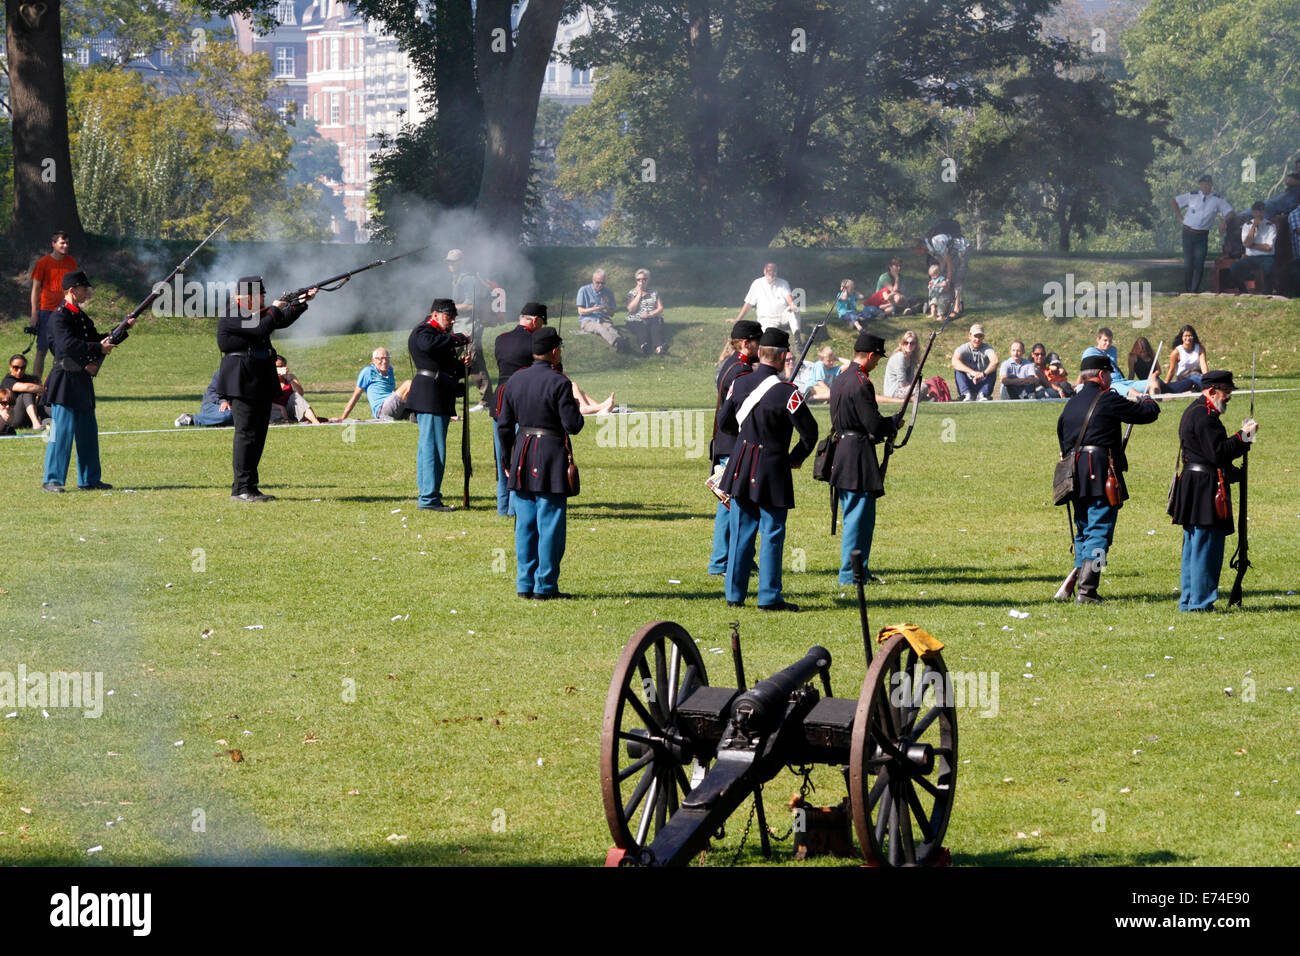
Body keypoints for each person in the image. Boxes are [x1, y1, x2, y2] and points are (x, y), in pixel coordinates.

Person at [717, 328, 819, 611]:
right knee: (772, 533)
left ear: (760, 352)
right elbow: (810, 433)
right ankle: (769, 597)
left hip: (740, 463)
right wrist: (795, 457)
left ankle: (734, 594)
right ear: (784, 356)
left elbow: (725, 422)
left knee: (740, 531)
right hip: (772, 468)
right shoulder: (789, 393)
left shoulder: (739, 383)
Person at [1055, 355, 1160, 603]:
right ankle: (1087, 591)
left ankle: (1080, 582)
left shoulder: (1071, 403)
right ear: (1101, 375)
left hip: (1075, 475)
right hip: (1101, 472)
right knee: (1100, 533)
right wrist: (1148, 399)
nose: (1111, 379)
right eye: (1109, 375)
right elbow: (1146, 414)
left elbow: (1063, 438)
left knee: (1084, 531)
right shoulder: (1107, 398)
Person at [496, 326, 585, 599]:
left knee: (525, 524)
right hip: (549, 453)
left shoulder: (515, 381)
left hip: (522, 451)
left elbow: (503, 425)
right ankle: (545, 586)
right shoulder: (559, 383)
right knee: (551, 524)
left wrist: (507, 460)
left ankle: (524, 585)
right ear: (555, 351)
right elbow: (574, 424)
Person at [216, 275, 316, 502]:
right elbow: (261, 329)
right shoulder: (233, 313)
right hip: (242, 380)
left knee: (258, 434)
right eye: (259, 294)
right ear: (246, 297)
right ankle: (241, 488)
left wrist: (300, 303)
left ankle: (250, 486)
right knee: (246, 435)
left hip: (259, 379)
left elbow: (279, 320)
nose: (263, 296)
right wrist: (275, 308)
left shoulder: (258, 314)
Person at [1167, 370, 1257, 612]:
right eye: (1225, 393)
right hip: (1205, 487)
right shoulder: (1206, 416)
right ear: (1211, 391)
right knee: (1205, 548)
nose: (1228, 397)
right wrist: (1243, 437)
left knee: (1195, 547)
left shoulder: (1196, 411)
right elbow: (1217, 452)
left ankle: (1190, 601)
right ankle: (1200, 603)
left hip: (1195, 484)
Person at [42, 271, 133, 492]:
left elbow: (96, 339)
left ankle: (89, 479)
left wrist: (122, 330)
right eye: (84, 288)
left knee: (88, 434)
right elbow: (66, 346)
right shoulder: (59, 316)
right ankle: (52, 479)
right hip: (64, 380)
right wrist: (98, 348)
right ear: (72, 290)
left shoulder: (80, 317)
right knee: (60, 435)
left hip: (81, 380)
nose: (87, 292)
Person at [829, 331, 899, 585]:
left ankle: (861, 570)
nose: (878, 363)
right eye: (877, 358)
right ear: (870, 355)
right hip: (857, 454)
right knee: (857, 518)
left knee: (857, 516)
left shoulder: (841, 377)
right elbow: (873, 424)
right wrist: (891, 423)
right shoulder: (861, 382)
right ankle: (851, 575)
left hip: (844, 450)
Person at [707, 319, 763, 576]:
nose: (761, 347)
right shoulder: (741, 371)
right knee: (733, 504)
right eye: (757, 342)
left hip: (725, 442)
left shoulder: (729, 365)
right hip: (734, 443)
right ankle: (722, 562)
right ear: (745, 343)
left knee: (733, 503)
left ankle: (739, 558)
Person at [408, 298, 469, 512]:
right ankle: (429, 498)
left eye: (453, 317)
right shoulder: (424, 332)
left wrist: (462, 367)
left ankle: (429, 495)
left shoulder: (440, 336)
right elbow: (428, 345)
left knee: (431, 448)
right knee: (433, 450)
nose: (452, 321)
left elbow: (447, 366)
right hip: (430, 396)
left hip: (439, 395)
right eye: (448, 317)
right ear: (435, 314)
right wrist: (456, 339)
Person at [446, 248, 499, 408]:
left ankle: (487, 400)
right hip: (460, 327)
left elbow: (471, 305)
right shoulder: (457, 278)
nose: (450, 264)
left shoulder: (468, 280)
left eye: (453, 261)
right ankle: (448, 395)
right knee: (451, 361)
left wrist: (451, 307)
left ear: (461, 262)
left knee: (475, 363)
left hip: (471, 327)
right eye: (449, 261)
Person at [28, 231, 80, 381]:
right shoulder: (43, 263)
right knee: (42, 350)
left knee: (63, 350)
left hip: (66, 311)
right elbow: (36, 289)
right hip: (47, 311)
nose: (65, 246)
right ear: (53, 244)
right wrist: (34, 313)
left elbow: (75, 286)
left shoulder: (71, 262)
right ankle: (36, 385)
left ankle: (55, 383)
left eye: (67, 243)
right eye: (62, 243)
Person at [1172, 174, 1232, 292]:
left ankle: (1194, 291)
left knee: (1199, 263)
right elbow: (1174, 201)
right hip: (1188, 233)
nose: (1205, 186)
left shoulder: (1217, 200)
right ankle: (1188, 290)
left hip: (1202, 236)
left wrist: (1224, 222)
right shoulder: (1192, 196)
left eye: (1208, 184)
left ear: (1211, 186)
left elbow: (1230, 212)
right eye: (1203, 184)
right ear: (1200, 185)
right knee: (1188, 263)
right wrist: (1179, 216)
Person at [733, 262, 802, 351]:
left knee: (794, 310)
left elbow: (789, 297)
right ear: (764, 271)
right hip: (767, 319)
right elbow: (748, 303)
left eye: (774, 271)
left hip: (783, 315)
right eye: (769, 271)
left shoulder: (783, 283)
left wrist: (792, 305)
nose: (772, 273)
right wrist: (738, 318)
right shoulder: (757, 283)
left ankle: (797, 339)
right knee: (769, 336)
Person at [335, 348, 410, 421]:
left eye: (387, 358)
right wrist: (343, 417)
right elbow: (356, 395)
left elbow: (391, 391)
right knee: (408, 384)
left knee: (415, 387)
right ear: (373, 360)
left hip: (394, 406)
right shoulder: (368, 372)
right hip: (382, 409)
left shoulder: (390, 370)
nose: (384, 361)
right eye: (380, 359)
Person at [1081, 327, 1154, 399]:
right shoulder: (1090, 352)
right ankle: (1142, 398)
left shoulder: (1113, 350)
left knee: (1152, 383)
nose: (1108, 343)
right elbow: (1084, 371)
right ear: (1098, 340)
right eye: (1105, 340)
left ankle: (1155, 400)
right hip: (1110, 383)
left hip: (1122, 381)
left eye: (1110, 340)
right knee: (1128, 390)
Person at [912, 231, 971, 314]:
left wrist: (947, 281)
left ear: (921, 246)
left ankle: (957, 308)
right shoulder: (929, 249)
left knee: (958, 277)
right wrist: (940, 276)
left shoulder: (936, 243)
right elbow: (942, 261)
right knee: (947, 276)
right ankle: (948, 305)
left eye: (918, 252)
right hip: (952, 252)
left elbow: (949, 263)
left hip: (962, 248)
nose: (919, 255)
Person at [1228, 201, 1276, 292]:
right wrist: (1254, 227)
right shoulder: (1247, 225)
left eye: (1261, 211)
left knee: (1269, 268)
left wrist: (1251, 245)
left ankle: (1268, 292)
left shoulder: (1270, 226)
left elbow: (1268, 247)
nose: (1259, 214)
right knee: (1235, 267)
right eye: (1256, 211)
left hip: (1266, 257)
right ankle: (1243, 291)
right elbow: (1246, 244)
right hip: (1251, 257)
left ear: (1264, 212)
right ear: (1253, 212)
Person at [576, 270, 626, 351]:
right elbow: (580, 311)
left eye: (603, 283)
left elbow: (612, 314)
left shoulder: (609, 292)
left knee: (611, 328)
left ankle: (621, 343)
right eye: (598, 282)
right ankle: (617, 343)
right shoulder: (583, 290)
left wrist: (607, 309)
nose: (600, 285)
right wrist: (594, 309)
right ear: (593, 280)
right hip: (588, 320)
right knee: (599, 328)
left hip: (604, 319)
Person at [270, 355, 323, 424]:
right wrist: (280, 407)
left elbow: (300, 393)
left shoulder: (290, 377)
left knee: (295, 395)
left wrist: (289, 380)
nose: (280, 368)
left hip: (290, 409)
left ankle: (315, 421)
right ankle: (283, 420)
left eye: (282, 366)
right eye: (276, 367)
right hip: (274, 410)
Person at [626, 268, 667, 355]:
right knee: (641, 327)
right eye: (639, 279)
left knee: (655, 326)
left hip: (651, 317)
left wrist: (650, 314)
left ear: (647, 280)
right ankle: (644, 346)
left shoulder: (653, 292)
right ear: (636, 281)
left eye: (644, 279)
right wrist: (639, 294)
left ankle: (659, 348)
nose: (641, 281)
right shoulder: (632, 293)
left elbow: (660, 308)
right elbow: (631, 309)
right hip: (635, 319)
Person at [952, 323, 997, 401]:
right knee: (958, 370)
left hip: (982, 381)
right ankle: (965, 394)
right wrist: (972, 372)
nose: (977, 339)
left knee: (993, 370)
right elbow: (954, 361)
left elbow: (995, 361)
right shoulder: (963, 348)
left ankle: (983, 394)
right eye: (975, 336)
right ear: (969, 336)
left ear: (983, 337)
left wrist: (983, 374)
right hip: (968, 381)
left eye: (980, 336)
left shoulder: (987, 349)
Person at [2, 354, 47, 429]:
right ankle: (36, 424)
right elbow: (26, 387)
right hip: (13, 417)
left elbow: (39, 394)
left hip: (30, 415)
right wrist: (43, 389)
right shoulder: (7, 380)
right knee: (26, 393)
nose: (19, 371)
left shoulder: (30, 378)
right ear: (10, 367)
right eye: (15, 367)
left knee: (48, 407)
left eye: (22, 368)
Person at [1163, 325, 1209, 395]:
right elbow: (1171, 370)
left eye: (1190, 335)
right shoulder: (1176, 352)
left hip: (1197, 374)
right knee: (1194, 378)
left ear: (1193, 336)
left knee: (1197, 377)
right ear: (1182, 337)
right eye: (1185, 336)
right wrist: (1165, 385)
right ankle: (1210, 387)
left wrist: (1207, 378)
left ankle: (1206, 386)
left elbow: (1203, 366)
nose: (1188, 338)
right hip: (1183, 377)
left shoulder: (1200, 348)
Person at [881, 331, 921, 403]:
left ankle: (916, 397)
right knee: (923, 387)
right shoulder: (900, 356)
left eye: (912, 343)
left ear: (915, 345)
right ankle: (913, 398)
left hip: (904, 389)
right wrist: (915, 386)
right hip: (894, 392)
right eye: (906, 343)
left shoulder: (911, 358)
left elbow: (911, 379)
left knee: (923, 386)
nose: (909, 345)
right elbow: (902, 382)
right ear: (902, 343)